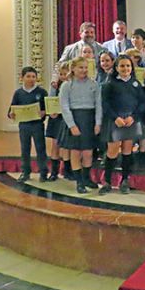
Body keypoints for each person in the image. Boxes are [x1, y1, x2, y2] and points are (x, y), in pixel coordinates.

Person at [100, 55, 145, 194]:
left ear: (132, 68)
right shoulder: (110, 83)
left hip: (130, 121)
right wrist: (115, 118)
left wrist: (134, 117)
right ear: (116, 68)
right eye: (122, 66)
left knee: (127, 150)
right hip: (115, 121)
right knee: (112, 151)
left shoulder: (136, 83)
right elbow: (105, 103)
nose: (125, 68)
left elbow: (142, 103)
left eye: (128, 66)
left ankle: (125, 180)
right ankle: (107, 181)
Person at [58, 57, 103, 193]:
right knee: (76, 152)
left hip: (89, 119)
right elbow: (64, 106)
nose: (83, 70)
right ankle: (79, 181)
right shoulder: (67, 85)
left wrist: (98, 122)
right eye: (80, 67)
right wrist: (72, 125)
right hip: (74, 119)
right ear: (73, 69)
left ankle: (86, 178)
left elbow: (98, 105)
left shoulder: (94, 84)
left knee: (88, 152)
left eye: (85, 67)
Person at [8, 66, 48, 182]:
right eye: (28, 76)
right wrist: (11, 114)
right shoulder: (18, 93)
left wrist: (44, 112)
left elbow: (47, 108)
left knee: (40, 148)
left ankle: (43, 172)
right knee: (25, 149)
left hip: (37, 125)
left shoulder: (41, 92)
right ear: (22, 78)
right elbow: (11, 109)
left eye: (33, 76)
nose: (31, 79)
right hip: (24, 125)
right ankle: (25, 172)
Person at [45, 61, 71, 181]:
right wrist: (51, 111)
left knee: (67, 145)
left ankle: (67, 170)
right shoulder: (54, 85)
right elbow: (51, 100)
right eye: (61, 74)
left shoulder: (73, 85)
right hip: (56, 118)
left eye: (65, 74)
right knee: (55, 144)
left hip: (67, 118)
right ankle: (54, 172)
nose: (63, 76)